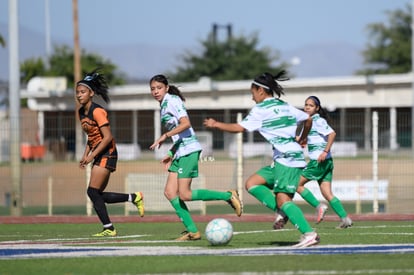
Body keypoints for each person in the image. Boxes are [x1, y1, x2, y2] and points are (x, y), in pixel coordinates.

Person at [204, 71, 320, 247]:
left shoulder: (260, 110)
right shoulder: (284, 105)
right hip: (284, 158)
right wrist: (303, 137)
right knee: (252, 183)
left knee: (283, 200)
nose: (252, 99)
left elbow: (239, 128)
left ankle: (309, 234)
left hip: (287, 159)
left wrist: (216, 124)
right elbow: (308, 120)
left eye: (252, 94)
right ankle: (284, 212)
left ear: (260, 90)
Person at [148, 74, 243, 241]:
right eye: (153, 89)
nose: (155, 91)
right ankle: (192, 231)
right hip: (180, 151)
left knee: (184, 194)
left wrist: (165, 135)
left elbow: (186, 124)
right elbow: (181, 134)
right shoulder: (163, 104)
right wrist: (171, 153)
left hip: (189, 151)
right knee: (170, 192)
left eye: (159, 88)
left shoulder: (172, 101)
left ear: (167, 88)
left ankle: (228, 196)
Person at [76, 69, 144, 237]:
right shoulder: (80, 112)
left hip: (108, 152)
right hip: (98, 153)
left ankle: (109, 228)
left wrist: (91, 156)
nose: (79, 95)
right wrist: (86, 154)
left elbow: (107, 138)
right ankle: (134, 197)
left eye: (83, 92)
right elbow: (91, 137)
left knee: (92, 192)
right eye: (77, 92)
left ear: (91, 93)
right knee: (97, 195)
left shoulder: (97, 111)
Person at [295, 95, 353, 229]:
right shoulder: (309, 122)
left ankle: (318, 206)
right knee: (327, 193)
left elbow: (332, 134)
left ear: (317, 108)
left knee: (296, 184)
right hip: (327, 162)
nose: (307, 107)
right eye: (306, 105)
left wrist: (325, 151)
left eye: (310, 105)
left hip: (318, 161)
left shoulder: (317, 120)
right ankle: (345, 219)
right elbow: (303, 139)